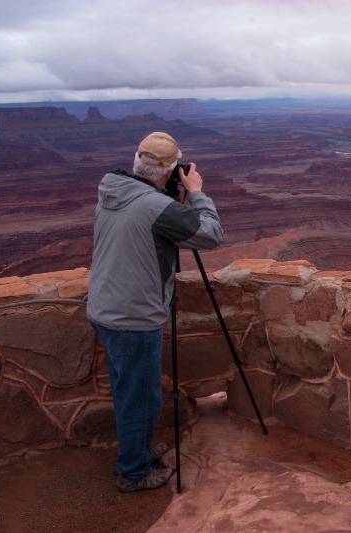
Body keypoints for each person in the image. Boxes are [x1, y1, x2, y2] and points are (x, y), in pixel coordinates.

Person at [86, 132, 223, 492]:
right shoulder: (154, 207)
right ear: (168, 169)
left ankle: (139, 451)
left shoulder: (113, 191)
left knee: (127, 393)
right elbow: (210, 234)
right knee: (142, 401)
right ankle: (134, 473)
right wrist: (195, 193)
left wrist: (166, 193)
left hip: (104, 307)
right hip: (133, 318)